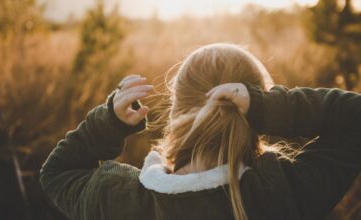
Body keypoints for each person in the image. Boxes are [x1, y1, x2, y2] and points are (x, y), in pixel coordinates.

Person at [40, 44, 360, 220]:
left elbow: (57, 172)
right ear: (251, 114)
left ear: (178, 109)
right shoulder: (282, 193)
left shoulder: (117, 199)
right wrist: (266, 107)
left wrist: (108, 123)